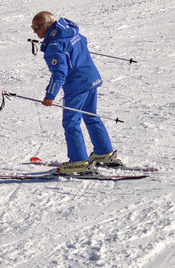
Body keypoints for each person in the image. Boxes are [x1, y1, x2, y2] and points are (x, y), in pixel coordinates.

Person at [33, 12, 119, 174]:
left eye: (37, 27)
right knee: (90, 115)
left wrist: (50, 96)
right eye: (33, 28)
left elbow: (59, 74)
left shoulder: (54, 46)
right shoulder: (70, 31)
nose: (35, 31)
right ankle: (104, 152)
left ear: (48, 25)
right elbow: (83, 42)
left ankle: (79, 161)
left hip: (77, 85)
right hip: (91, 78)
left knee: (71, 122)